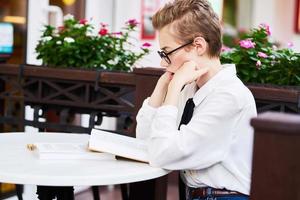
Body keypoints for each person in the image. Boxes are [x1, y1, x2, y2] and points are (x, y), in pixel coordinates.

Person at [135, 0, 257, 200]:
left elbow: (163, 154)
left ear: (198, 46)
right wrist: (162, 86)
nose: (162, 61)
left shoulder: (229, 96)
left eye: (167, 53)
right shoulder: (192, 88)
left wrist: (174, 88)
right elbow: (147, 142)